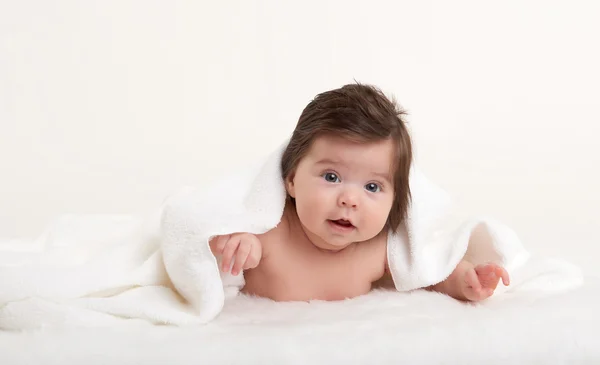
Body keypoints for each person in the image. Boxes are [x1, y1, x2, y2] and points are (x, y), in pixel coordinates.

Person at [209, 83, 509, 302]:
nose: (349, 199)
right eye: (331, 176)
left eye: (372, 187)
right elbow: (204, 250)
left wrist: (464, 281)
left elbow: (428, 272)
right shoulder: (268, 233)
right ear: (291, 180)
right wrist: (234, 245)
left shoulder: (379, 251)